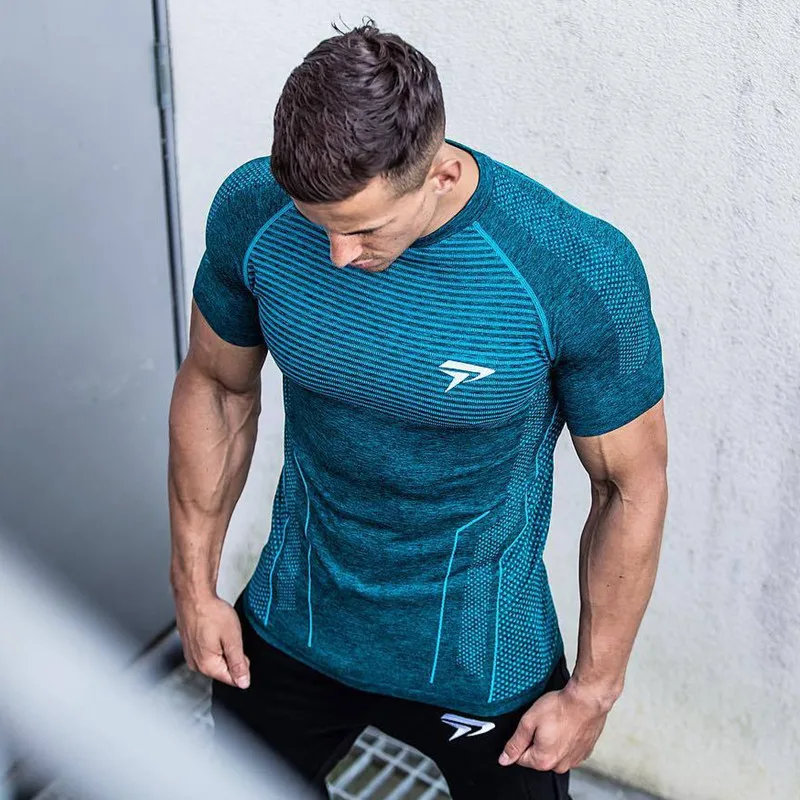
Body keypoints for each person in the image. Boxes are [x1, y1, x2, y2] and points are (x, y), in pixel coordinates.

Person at [168, 20, 668, 800]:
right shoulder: (253, 211)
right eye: (317, 224)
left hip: (480, 658)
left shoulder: (572, 268)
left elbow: (628, 485)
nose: (338, 255)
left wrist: (594, 691)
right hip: (295, 619)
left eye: (364, 228)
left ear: (440, 174)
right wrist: (194, 589)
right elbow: (217, 387)